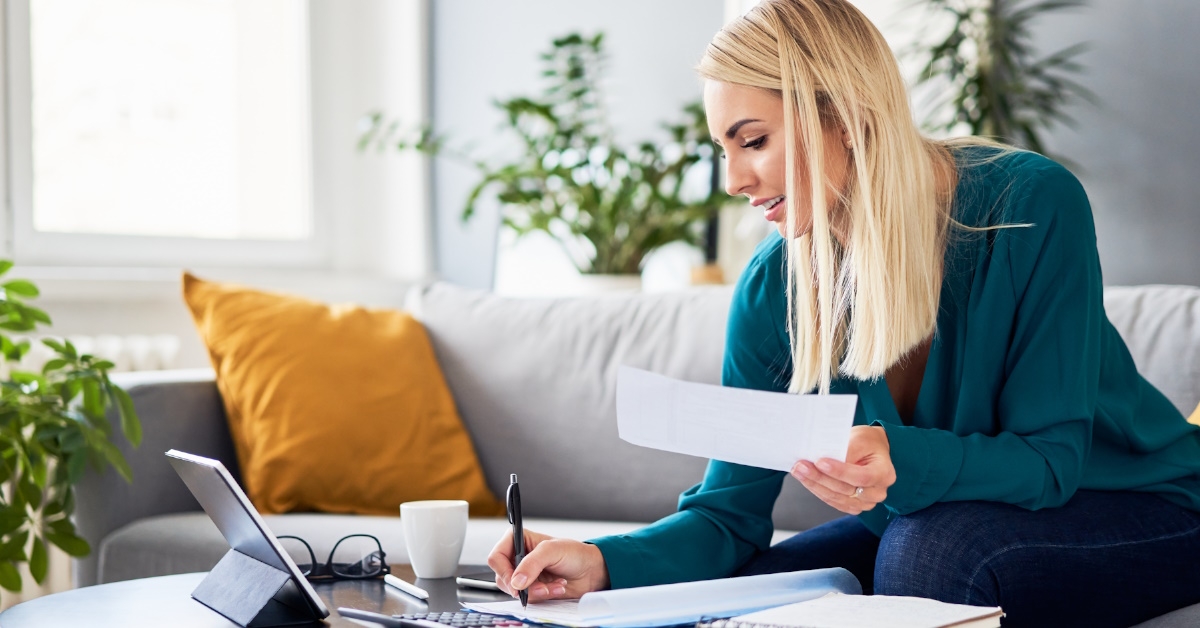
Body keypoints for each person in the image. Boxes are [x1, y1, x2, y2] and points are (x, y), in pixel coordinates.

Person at [487, 1, 1200, 625]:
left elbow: (1051, 462)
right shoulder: (777, 287)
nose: (734, 180)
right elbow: (728, 516)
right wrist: (599, 562)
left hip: (1144, 504)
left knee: (928, 552)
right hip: (935, 521)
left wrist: (902, 459)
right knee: (751, 592)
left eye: (754, 140)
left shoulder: (1029, 206)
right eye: (723, 149)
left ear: (848, 116)